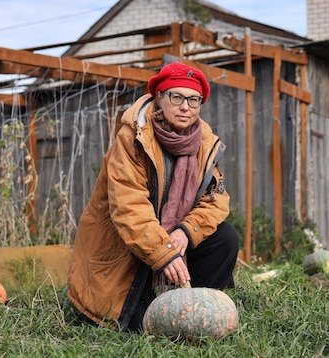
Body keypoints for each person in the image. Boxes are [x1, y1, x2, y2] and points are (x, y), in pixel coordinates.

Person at [67, 61, 239, 331]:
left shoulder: (203, 143)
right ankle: (153, 301)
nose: (186, 107)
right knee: (139, 327)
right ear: (159, 98)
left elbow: (215, 201)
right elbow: (129, 207)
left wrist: (185, 231)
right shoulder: (133, 138)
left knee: (225, 238)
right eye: (177, 97)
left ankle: (193, 306)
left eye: (194, 100)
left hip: (169, 238)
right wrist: (164, 253)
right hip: (128, 249)